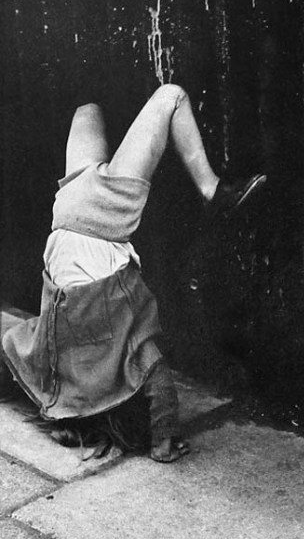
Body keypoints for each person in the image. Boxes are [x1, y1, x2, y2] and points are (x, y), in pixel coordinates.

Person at [0, 85, 265, 462]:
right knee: (87, 109)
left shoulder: (124, 346)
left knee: (172, 97)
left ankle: (212, 190)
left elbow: (160, 387)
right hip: (67, 215)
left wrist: (163, 444)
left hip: (102, 216)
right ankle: (109, 99)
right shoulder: (56, 357)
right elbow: (12, 342)